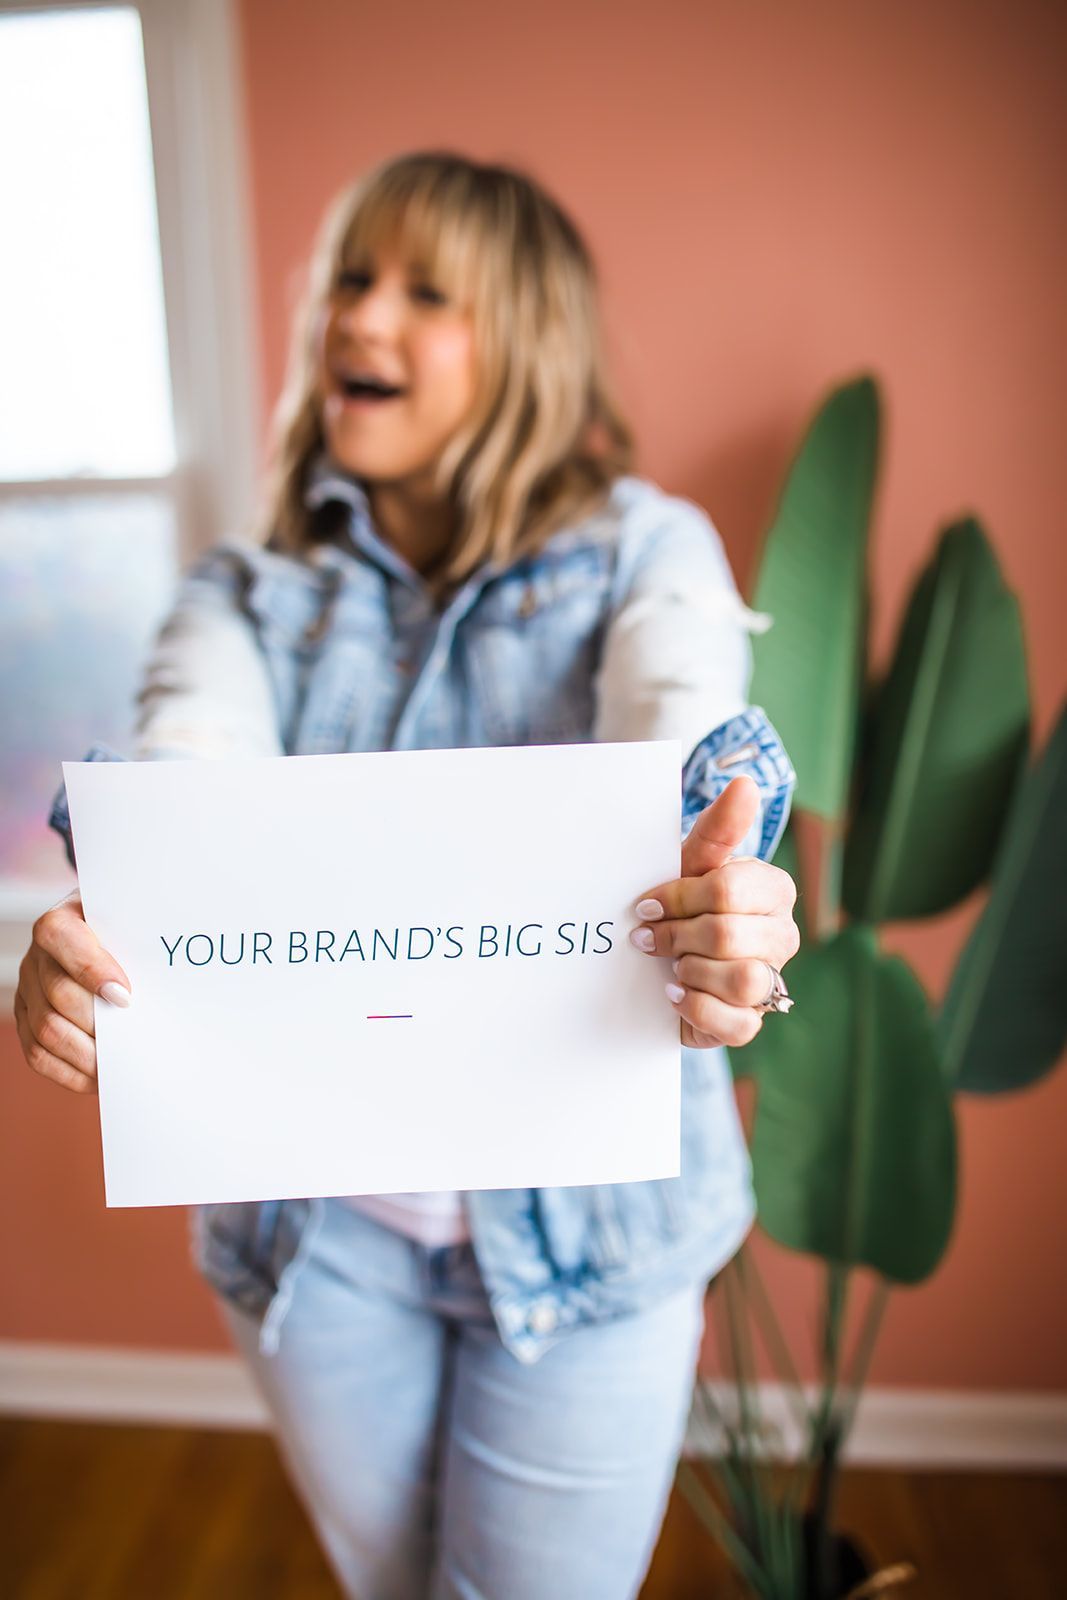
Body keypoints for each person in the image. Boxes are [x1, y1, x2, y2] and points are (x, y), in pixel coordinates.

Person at [14, 151, 800, 1600]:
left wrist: (730, 884)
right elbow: (185, 770)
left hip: (599, 1243)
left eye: (424, 293)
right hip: (322, 1250)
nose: (360, 320)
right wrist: (113, 918)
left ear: (527, 348)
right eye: (347, 283)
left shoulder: (647, 549)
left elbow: (688, 731)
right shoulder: (242, 593)